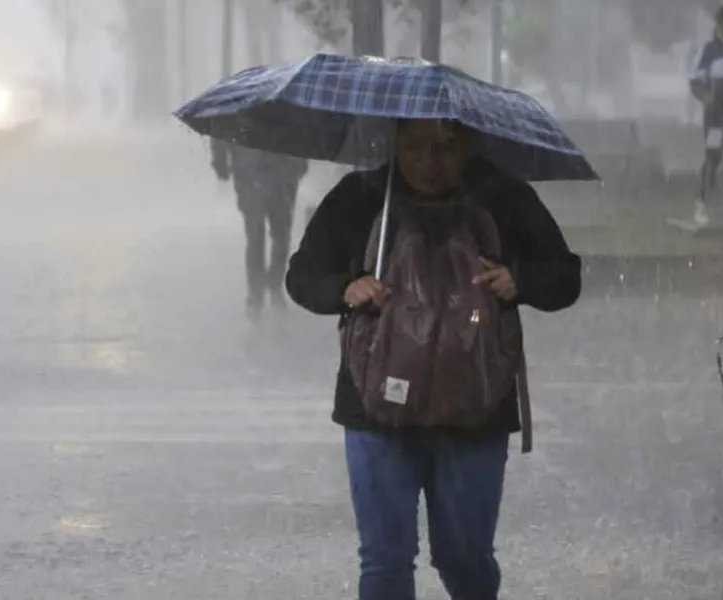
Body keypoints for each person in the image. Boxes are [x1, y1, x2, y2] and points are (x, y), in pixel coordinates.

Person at [284, 119, 581, 600]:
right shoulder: (360, 197)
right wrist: (344, 288)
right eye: (415, 146)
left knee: (465, 557)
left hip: (476, 408)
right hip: (375, 408)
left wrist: (520, 280)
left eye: (446, 147)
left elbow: (565, 277)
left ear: (471, 144)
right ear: (394, 141)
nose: (429, 162)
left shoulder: (504, 199)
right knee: (384, 561)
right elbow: (301, 276)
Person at [210, 139, 310, 320]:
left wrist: (220, 162)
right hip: (261, 171)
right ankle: (262, 291)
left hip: (269, 170)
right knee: (266, 233)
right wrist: (220, 161)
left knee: (271, 233)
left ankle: (267, 288)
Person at [688, 3, 723, 227]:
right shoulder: (709, 50)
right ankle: (701, 203)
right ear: (718, 24)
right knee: (713, 156)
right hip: (716, 114)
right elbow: (695, 81)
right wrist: (705, 96)